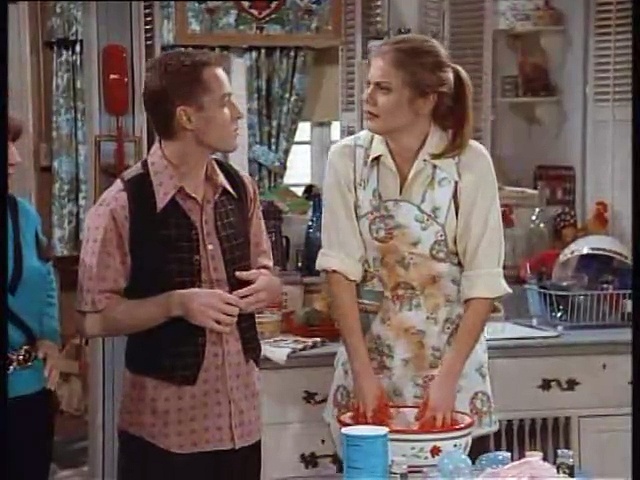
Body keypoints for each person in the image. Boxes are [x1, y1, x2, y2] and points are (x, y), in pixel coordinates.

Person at [76, 49, 281, 480]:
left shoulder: (241, 189)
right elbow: (94, 319)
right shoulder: (121, 205)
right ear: (187, 117)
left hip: (242, 424)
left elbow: (266, 272)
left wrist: (268, 286)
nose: (237, 113)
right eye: (224, 102)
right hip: (165, 433)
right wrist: (176, 304)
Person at [317, 34, 511, 458]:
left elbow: (483, 284)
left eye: (383, 88)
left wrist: (447, 379)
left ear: (425, 100)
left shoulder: (469, 164)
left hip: (450, 371)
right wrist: (363, 374)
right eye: (369, 85)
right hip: (368, 364)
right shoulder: (346, 160)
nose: (367, 97)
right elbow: (339, 271)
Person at [7, 114, 61, 479]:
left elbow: (46, 279)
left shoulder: (25, 216)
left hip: (29, 390)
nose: (15, 158)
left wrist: (50, 336)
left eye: (13, 145)